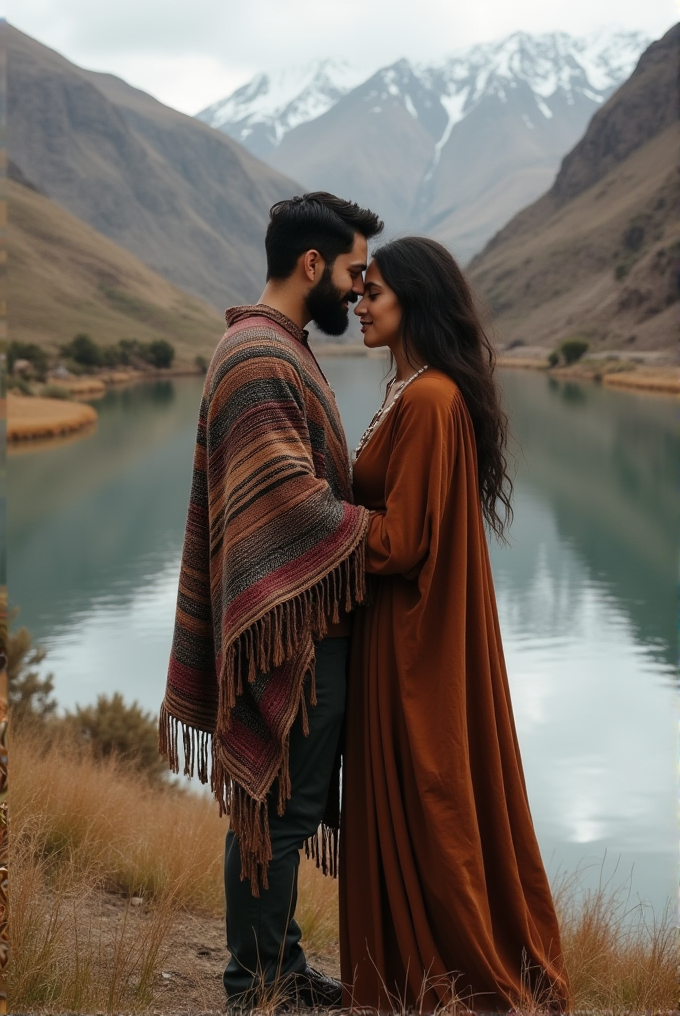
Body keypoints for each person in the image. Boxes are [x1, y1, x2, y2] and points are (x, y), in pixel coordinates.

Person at [158, 192, 383, 1011]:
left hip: (296, 614)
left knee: (288, 802)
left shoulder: (273, 344)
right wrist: (385, 532)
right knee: (278, 807)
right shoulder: (259, 355)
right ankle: (255, 985)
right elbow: (289, 501)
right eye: (354, 272)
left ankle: (279, 965)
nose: (360, 292)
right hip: (287, 625)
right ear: (312, 265)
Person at [339, 237, 570, 1014]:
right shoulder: (412, 393)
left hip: (412, 643)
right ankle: (406, 973)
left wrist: (317, 521)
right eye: (358, 292)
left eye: (372, 293)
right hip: (401, 635)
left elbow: (401, 543)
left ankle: (453, 976)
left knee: (431, 799)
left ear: (414, 301)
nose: (358, 305)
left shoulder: (432, 400)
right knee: (422, 800)